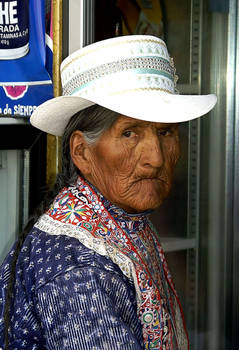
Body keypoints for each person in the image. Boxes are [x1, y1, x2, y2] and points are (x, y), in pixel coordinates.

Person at [0, 35, 216, 350]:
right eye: (129, 133)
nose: (155, 158)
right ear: (82, 153)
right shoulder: (78, 270)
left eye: (165, 132)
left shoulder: (118, 217)